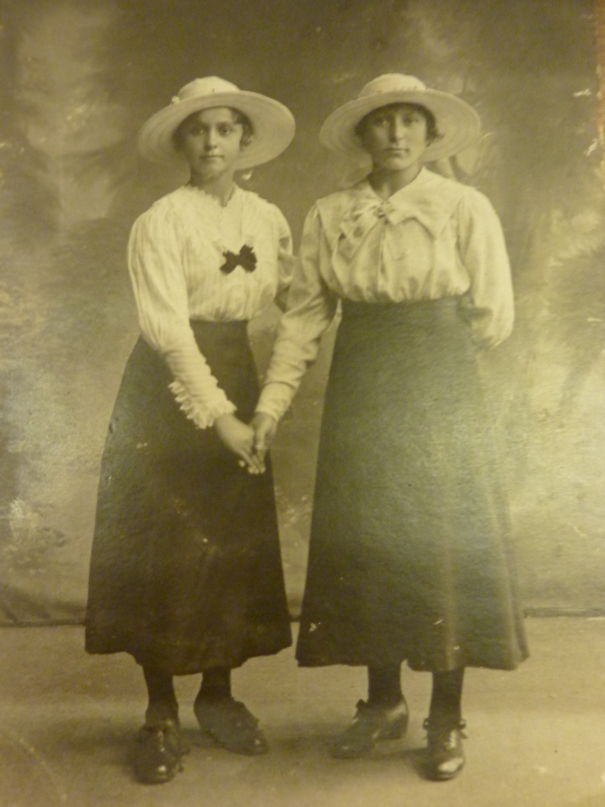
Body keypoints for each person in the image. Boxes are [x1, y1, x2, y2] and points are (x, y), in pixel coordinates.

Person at [253, 73, 528, 781]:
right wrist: (272, 400)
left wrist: (435, 355)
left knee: (436, 536)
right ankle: (381, 703)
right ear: (361, 135)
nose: (397, 135)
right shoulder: (329, 212)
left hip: (438, 383)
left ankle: (443, 714)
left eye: (410, 121)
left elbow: (492, 315)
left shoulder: (463, 206)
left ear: (431, 134)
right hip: (362, 381)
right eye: (382, 122)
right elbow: (306, 314)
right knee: (371, 537)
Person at [85, 76, 295, 784]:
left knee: (229, 543)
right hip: (170, 388)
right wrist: (221, 416)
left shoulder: (267, 218)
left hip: (236, 369)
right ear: (181, 141)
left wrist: (261, 402)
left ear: (244, 141)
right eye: (198, 131)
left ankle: (218, 694)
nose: (212, 143)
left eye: (226, 129)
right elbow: (172, 335)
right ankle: (159, 710)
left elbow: (297, 300)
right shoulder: (161, 221)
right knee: (166, 547)